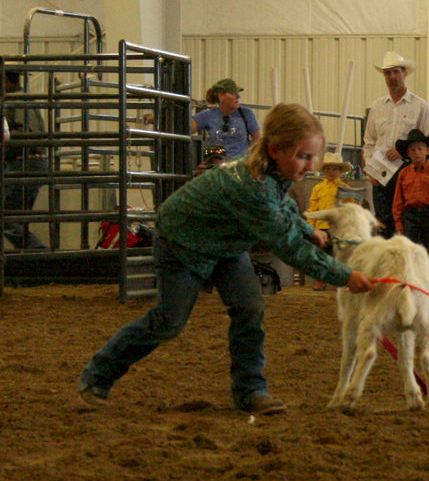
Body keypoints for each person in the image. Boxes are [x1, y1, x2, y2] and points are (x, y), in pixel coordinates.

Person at [78, 103, 375, 415]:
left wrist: (305, 228)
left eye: (312, 156)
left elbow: (281, 205)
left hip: (224, 243)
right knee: (168, 322)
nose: (310, 164)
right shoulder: (252, 186)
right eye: (303, 156)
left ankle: (251, 391)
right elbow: (291, 250)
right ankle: (97, 375)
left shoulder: (268, 172)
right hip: (182, 243)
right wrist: (345, 276)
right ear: (275, 150)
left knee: (250, 306)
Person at [362, 51, 429, 238]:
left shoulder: (420, 106)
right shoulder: (377, 107)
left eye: (395, 72)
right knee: (384, 224)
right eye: (388, 73)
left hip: (409, 174)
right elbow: (369, 142)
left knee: (408, 223)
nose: (392, 77)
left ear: (405, 73)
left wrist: (404, 151)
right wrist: (370, 170)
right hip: (380, 175)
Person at [3, 71, 47, 249]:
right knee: (13, 217)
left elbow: (29, 135)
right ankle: (33, 261)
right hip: (24, 163)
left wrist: (7, 136)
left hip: (25, 163)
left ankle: (38, 257)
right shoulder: (18, 100)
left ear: (6, 80)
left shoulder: (19, 101)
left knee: (7, 217)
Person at [392, 129, 429, 265]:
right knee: (409, 248)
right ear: (408, 153)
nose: (416, 152)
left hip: (428, 214)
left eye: (419, 149)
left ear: (427, 151)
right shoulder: (403, 174)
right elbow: (398, 200)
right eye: (412, 150)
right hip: (409, 215)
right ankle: (411, 277)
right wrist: (398, 222)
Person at [306, 152, 351, 290]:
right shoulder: (318, 188)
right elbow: (313, 209)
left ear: (340, 171)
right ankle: (321, 279)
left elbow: (350, 208)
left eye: (335, 168)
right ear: (324, 170)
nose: (331, 172)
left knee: (340, 254)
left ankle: (339, 280)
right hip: (322, 227)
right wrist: (311, 228)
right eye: (328, 168)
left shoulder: (345, 188)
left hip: (339, 227)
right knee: (321, 254)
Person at [191, 78, 260, 158]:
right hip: (218, 165)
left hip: (240, 165)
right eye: (233, 93)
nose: (238, 96)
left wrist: (249, 157)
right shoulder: (208, 116)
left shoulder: (246, 114)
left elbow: (257, 139)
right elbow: (185, 130)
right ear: (221, 96)